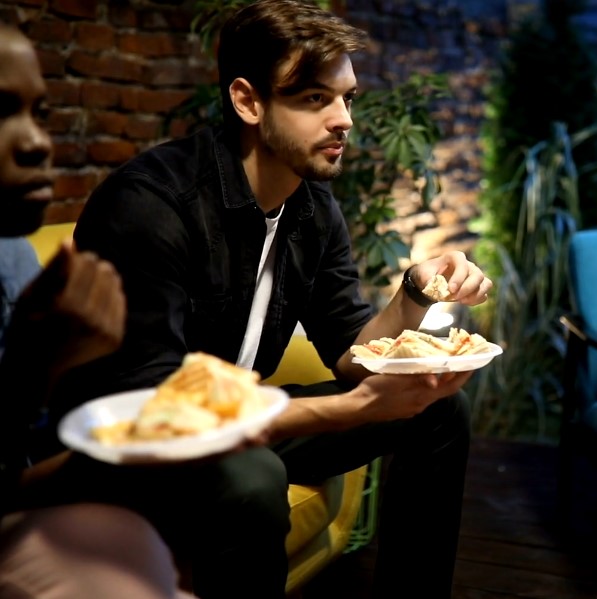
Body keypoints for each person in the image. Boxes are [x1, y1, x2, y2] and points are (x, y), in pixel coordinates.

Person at [28, 1, 491, 598]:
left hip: (234, 423)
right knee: (250, 473)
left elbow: (352, 352)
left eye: (347, 98)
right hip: (129, 443)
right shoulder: (150, 206)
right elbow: (153, 407)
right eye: (314, 99)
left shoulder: (312, 209)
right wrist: (351, 410)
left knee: (437, 411)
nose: (344, 119)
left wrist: (412, 294)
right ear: (248, 101)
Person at [0, 23, 195, 599]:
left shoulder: (12, 254)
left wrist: (133, 454)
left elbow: (15, 475)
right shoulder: (150, 202)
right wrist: (33, 369)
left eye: (39, 112)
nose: (36, 141)